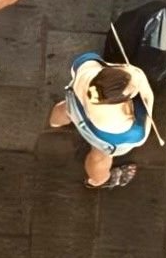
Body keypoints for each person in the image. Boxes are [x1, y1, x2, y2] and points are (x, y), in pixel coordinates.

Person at [50, 52, 155, 189]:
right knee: (99, 155)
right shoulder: (124, 125)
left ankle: (55, 123)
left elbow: (85, 59)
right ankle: (97, 180)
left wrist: (123, 69)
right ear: (119, 99)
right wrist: (148, 96)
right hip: (99, 135)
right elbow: (141, 136)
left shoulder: (89, 69)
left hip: (76, 103)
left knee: (65, 109)